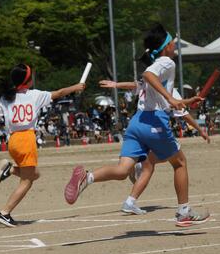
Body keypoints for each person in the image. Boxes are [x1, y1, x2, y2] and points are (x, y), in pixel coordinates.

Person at [64, 23, 209, 227]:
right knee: (180, 163)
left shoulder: (163, 69)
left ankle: (87, 178)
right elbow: (148, 76)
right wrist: (170, 97)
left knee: (123, 170)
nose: (175, 44)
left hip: (137, 122)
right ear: (166, 47)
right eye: (172, 41)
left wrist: (184, 101)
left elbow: (147, 86)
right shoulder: (167, 62)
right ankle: (183, 211)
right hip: (154, 122)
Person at [0, 63, 85, 227]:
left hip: (13, 141)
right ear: (27, 81)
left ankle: (10, 169)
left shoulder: (7, 98)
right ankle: (4, 212)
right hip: (26, 140)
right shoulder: (35, 95)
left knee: (34, 174)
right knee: (27, 181)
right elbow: (60, 93)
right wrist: (76, 87)